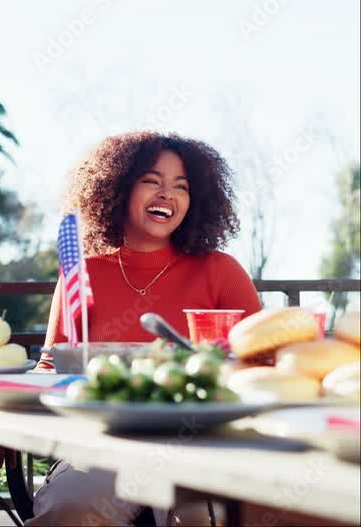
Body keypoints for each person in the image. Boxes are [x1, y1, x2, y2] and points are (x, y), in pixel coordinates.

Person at [31, 131, 262, 525]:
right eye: (152, 182)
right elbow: (52, 367)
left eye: (180, 187)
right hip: (102, 444)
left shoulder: (220, 270)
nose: (166, 195)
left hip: (202, 445)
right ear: (118, 189)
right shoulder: (82, 275)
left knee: (205, 515)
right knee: (72, 509)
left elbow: (262, 361)